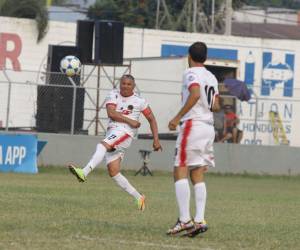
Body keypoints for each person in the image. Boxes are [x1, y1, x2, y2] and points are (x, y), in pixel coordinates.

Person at [68, 74, 162, 211]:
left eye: (129, 84)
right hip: (113, 132)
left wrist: (156, 139)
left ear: (133, 87)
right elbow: (111, 113)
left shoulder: (140, 101)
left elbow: (152, 118)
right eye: (123, 83)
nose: (125, 86)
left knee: (102, 145)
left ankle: (84, 172)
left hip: (125, 133)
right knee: (114, 171)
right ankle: (139, 197)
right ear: (120, 84)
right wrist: (131, 120)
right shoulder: (113, 95)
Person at [167, 42, 220, 237]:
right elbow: (216, 105)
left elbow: (195, 93)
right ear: (205, 57)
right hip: (208, 127)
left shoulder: (190, 73)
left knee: (179, 169)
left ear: (189, 56)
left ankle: (184, 220)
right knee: (197, 173)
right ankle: (199, 220)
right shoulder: (212, 76)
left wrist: (177, 117)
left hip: (193, 125)